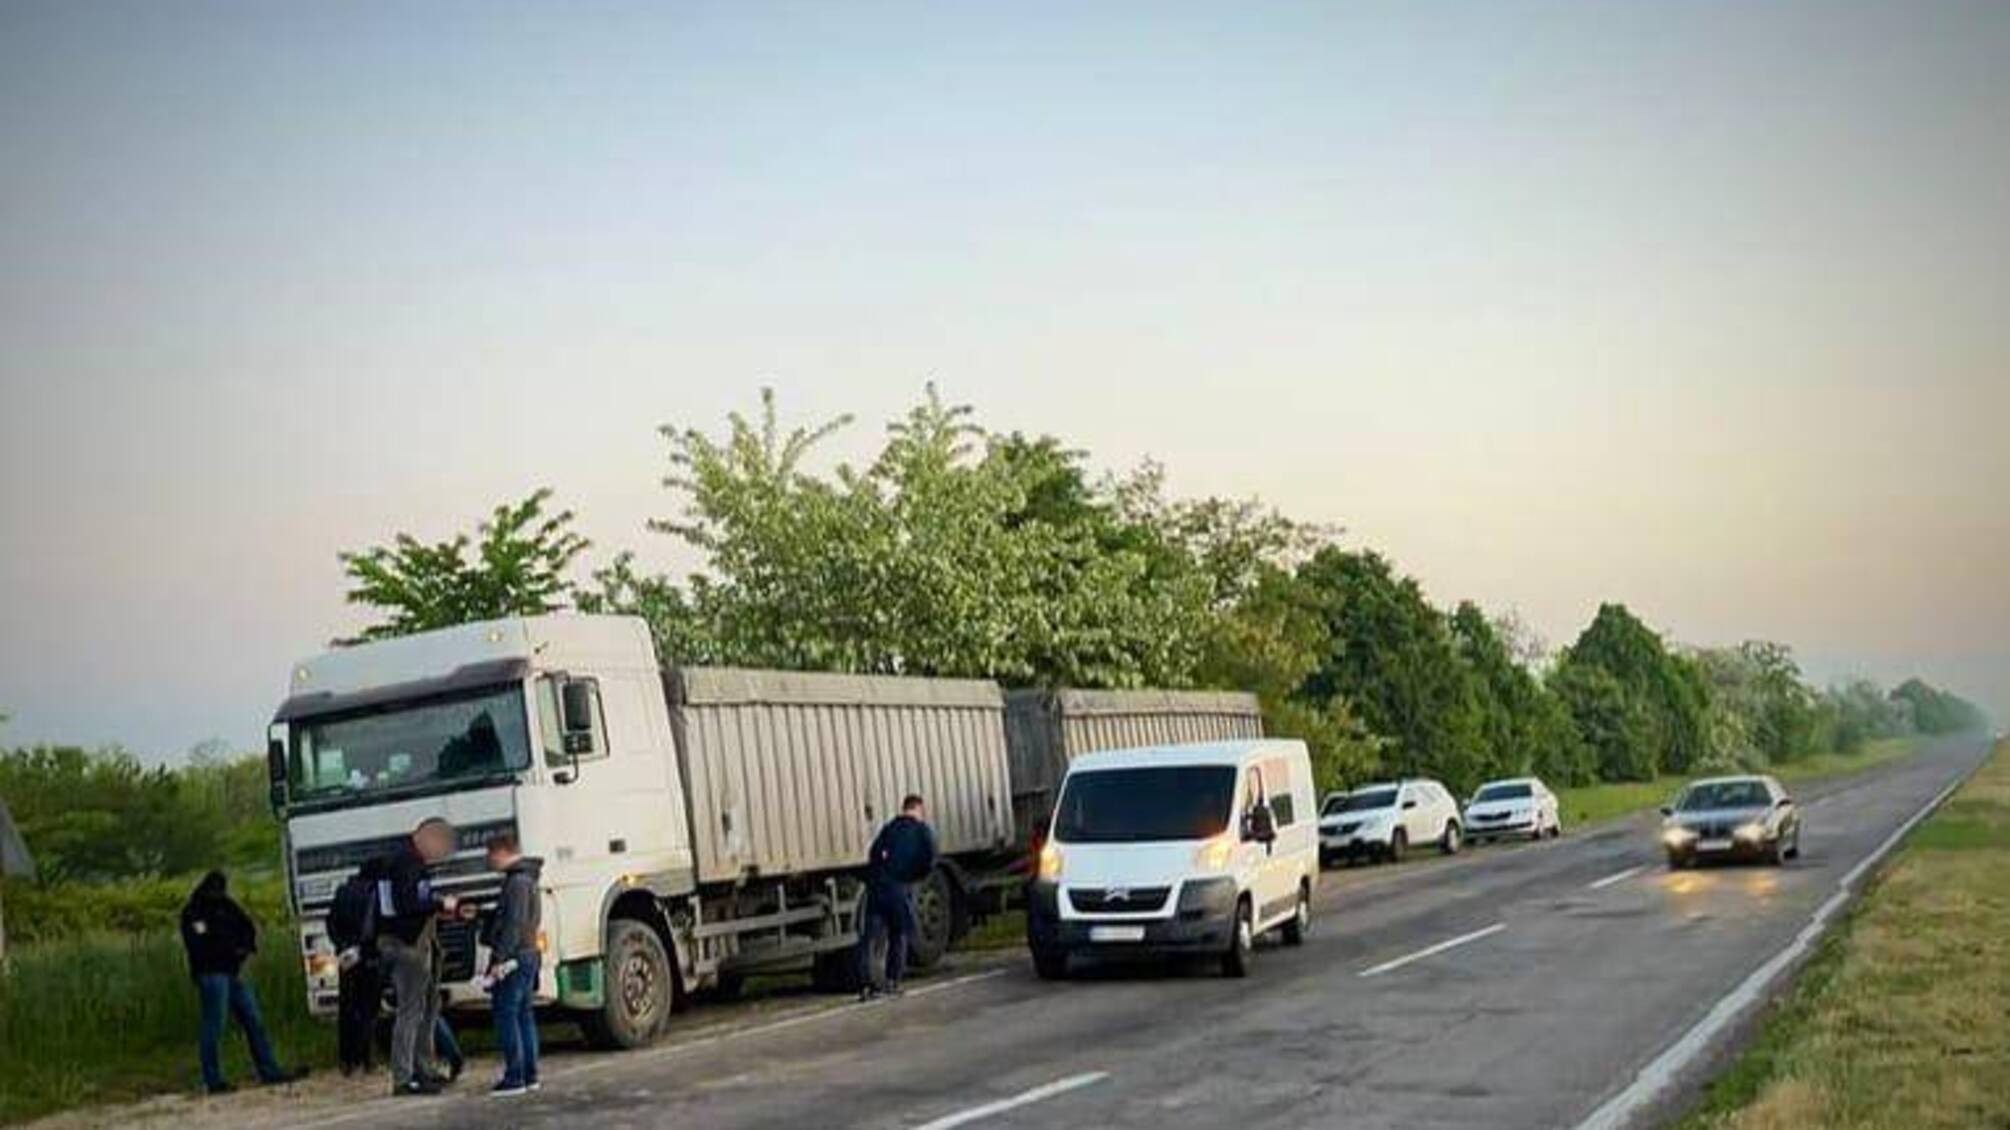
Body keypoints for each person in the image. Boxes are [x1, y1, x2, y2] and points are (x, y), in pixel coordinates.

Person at [178, 871, 306, 1094]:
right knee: (214, 1025)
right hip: (211, 973)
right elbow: (199, 943)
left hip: (232, 972)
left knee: (253, 1020)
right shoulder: (194, 912)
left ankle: (268, 1069)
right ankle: (213, 1079)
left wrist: (243, 948)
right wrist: (230, 950)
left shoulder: (227, 906)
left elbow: (246, 926)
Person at [375, 817, 470, 1097]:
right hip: (406, 945)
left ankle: (424, 1069)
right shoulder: (407, 864)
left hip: (408, 942)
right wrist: (441, 903)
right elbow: (407, 903)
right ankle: (405, 1076)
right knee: (411, 1012)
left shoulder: (401, 860)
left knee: (427, 1009)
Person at [479, 831, 543, 1097]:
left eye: (490, 856)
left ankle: (514, 1076)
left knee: (507, 1015)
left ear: (501, 852)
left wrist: (500, 959)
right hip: (528, 954)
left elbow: (513, 923)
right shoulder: (528, 878)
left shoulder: (515, 883)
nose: (489, 862)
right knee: (524, 1015)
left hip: (514, 958)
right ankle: (529, 1074)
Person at [854, 794, 937, 1000]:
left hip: (877, 887)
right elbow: (929, 858)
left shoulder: (889, 828)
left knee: (871, 937)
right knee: (899, 934)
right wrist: (915, 876)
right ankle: (892, 981)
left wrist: (877, 874)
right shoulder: (922, 831)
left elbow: (874, 852)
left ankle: (865, 985)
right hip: (900, 888)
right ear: (918, 809)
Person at [328, 856, 384, 1076]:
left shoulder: (343, 891)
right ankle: (366, 1058)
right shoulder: (375, 893)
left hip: (345, 957)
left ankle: (346, 1059)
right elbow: (375, 925)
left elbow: (331, 922)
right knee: (368, 1009)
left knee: (348, 1008)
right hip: (368, 956)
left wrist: (342, 946)